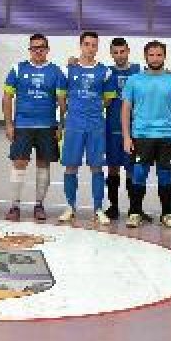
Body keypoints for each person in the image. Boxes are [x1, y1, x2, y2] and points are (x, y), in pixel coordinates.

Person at [120, 40, 171, 228]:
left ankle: (166, 214)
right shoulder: (134, 80)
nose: (155, 58)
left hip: (167, 136)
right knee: (139, 174)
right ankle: (135, 213)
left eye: (159, 55)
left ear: (164, 56)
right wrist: (126, 137)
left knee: (165, 176)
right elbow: (125, 109)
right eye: (152, 55)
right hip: (141, 136)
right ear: (145, 57)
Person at [2, 33, 67, 222]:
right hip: (22, 125)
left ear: (47, 49)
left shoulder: (56, 72)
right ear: (30, 50)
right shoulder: (17, 69)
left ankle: (39, 205)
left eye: (41, 47)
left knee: (43, 164)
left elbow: (62, 101)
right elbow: (7, 98)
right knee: (19, 163)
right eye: (34, 48)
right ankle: (15, 206)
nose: (38, 51)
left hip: (47, 126)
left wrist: (61, 125)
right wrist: (8, 124)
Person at [59, 32, 113, 227]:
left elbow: (107, 98)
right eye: (87, 44)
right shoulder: (68, 70)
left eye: (94, 45)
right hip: (74, 124)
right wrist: (69, 115)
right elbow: (61, 97)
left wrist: (93, 109)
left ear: (97, 47)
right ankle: (70, 207)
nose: (90, 48)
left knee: (97, 167)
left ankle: (98, 209)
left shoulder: (105, 72)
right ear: (80, 45)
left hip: (96, 124)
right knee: (71, 166)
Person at [101, 37, 140, 223]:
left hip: (135, 129)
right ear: (111, 53)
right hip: (111, 127)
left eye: (122, 51)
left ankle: (134, 209)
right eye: (115, 52)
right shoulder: (106, 73)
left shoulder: (139, 71)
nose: (119, 55)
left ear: (128, 50)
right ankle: (114, 207)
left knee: (133, 169)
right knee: (113, 168)